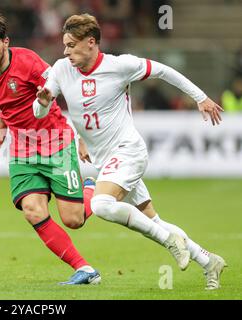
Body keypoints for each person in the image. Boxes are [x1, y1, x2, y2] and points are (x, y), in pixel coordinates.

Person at [33, 13, 227, 290]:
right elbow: (40, 112)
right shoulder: (61, 69)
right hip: (105, 160)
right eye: (64, 45)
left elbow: (164, 71)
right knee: (153, 219)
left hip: (127, 151)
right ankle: (209, 262)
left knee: (100, 205)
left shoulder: (121, 65)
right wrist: (42, 103)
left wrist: (201, 98)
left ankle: (170, 242)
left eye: (71, 45)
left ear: (91, 42)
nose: (66, 51)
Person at [0, 13, 100, 285]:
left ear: (5, 42)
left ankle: (92, 190)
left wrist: (81, 135)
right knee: (32, 210)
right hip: (22, 151)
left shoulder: (28, 62)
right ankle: (85, 269)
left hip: (55, 142)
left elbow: (67, 90)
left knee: (73, 220)